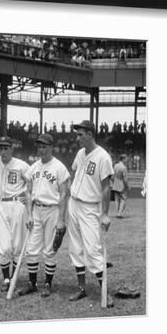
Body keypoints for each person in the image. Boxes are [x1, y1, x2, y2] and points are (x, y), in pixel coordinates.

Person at [67, 121, 114, 307]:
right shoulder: (80, 153)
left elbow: (105, 188)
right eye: (77, 134)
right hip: (74, 203)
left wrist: (104, 214)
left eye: (80, 134)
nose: (77, 138)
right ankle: (81, 288)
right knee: (75, 248)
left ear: (90, 134)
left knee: (93, 250)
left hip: (90, 207)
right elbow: (75, 173)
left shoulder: (103, 157)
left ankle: (104, 292)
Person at [19, 134, 70, 297]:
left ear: (51, 147)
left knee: (49, 249)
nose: (41, 150)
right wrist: (29, 214)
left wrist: (61, 219)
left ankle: (48, 283)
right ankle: (32, 284)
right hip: (36, 210)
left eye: (44, 146)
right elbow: (28, 192)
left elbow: (63, 194)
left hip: (52, 210)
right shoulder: (32, 167)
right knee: (31, 249)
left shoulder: (59, 168)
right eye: (39, 146)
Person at [0, 136, 33, 293]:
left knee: (17, 244)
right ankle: (6, 278)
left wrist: (29, 194)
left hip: (18, 205)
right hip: (0, 204)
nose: (2, 151)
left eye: (6, 148)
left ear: (12, 149)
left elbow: (32, 182)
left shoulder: (22, 165)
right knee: (3, 245)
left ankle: (13, 278)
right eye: (0, 148)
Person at [111, 154, 130, 218]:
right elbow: (125, 179)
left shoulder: (115, 166)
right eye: (126, 158)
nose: (127, 160)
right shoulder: (124, 168)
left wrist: (114, 183)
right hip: (122, 186)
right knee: (123, 199)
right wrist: (127, 186)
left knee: (117, 200)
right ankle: (119, 213)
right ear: (123, 159)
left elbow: (112, 177)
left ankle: (116, 213)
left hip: (115, 185)